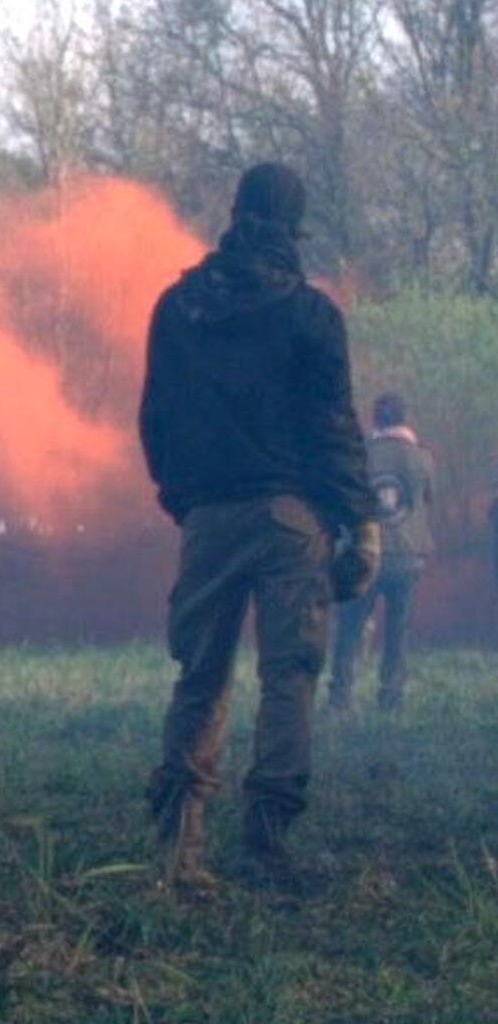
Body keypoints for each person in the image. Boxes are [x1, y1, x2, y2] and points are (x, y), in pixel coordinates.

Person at [139, 162, 379, 892]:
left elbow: (157, 420)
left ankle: (178, 850)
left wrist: (187, 502)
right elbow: (334, 429)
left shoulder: (178, 309)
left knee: (200, 677)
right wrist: (359, 524)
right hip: (291, 519)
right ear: (295, 229)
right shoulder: (311, 315)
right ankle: (266, 849)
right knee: (290, 679)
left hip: (210, 515)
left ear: (235, 211)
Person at [328, 393, 434, 713]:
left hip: (368, 552)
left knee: (350, 627)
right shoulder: (423, 457)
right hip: (409, 557)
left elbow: (347, 500)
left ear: (375, 419)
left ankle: (341, 700)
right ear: (404, 418)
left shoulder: (362, 455)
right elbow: (426, 502)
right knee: (397, 631)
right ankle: (391, 698)